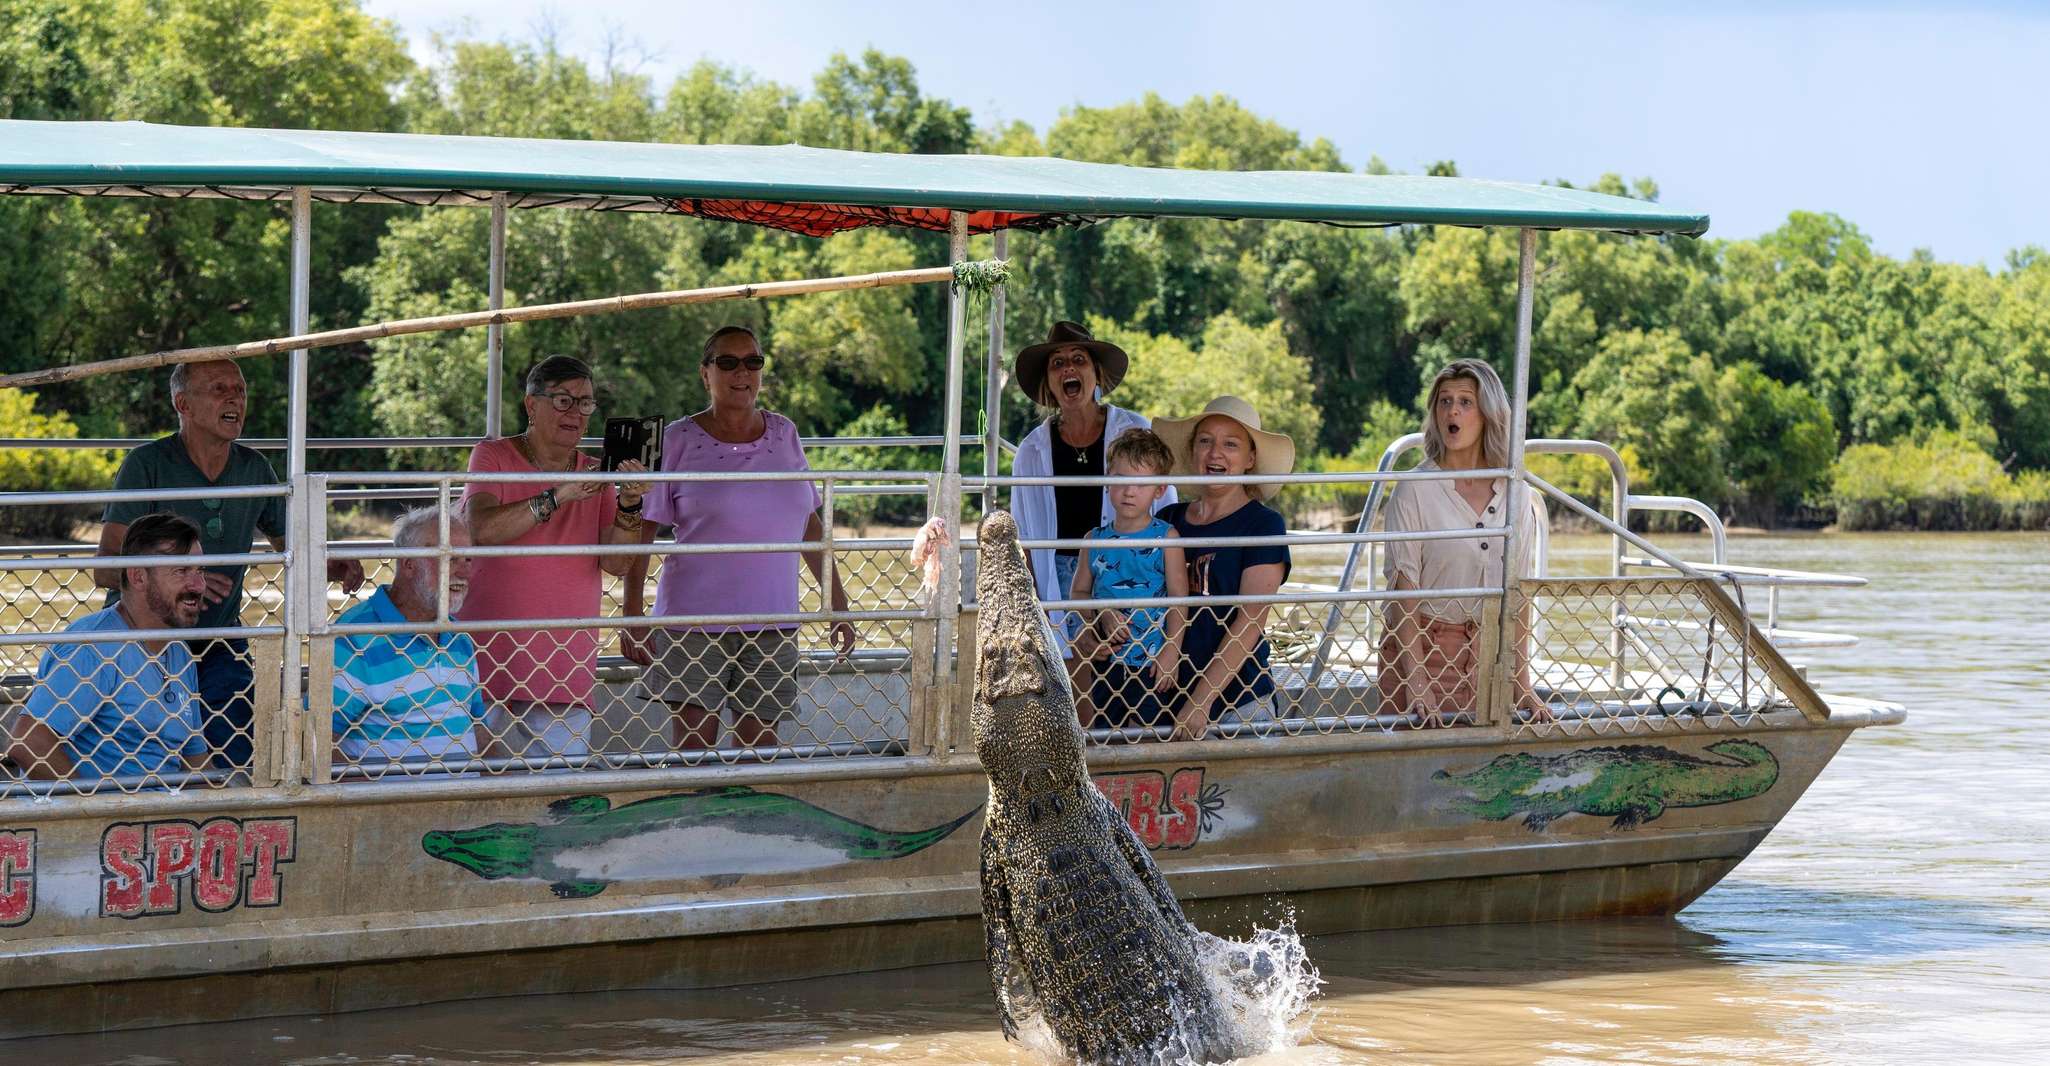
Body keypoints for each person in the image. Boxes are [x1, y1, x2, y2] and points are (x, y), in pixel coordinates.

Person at [95, 359, 365, 773]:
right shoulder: (147, 464)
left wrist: (332, 563)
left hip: (218, 640)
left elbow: (290, 544)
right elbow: (105, 568)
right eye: (219, 388)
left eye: (239, 389)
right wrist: (182, 579)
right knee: (145, 760)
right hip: (143, 644)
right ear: (183, 404)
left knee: (240, 755)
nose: (234, 398)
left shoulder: (254, 468)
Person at [625, 325, 855, 751]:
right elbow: (645, 528)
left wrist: (837, 602)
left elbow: (809, 523)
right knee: (694, 752)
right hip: (692, 623)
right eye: (727, 362)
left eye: (753, 361)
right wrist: (633, 613)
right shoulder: (676, 439)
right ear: (705, 373)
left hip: (773, 622)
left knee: (758, 755)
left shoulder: (785, 433)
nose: (741, 372)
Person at [460, 355, 648, 766]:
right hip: (484, 664)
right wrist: (557, 495)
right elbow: (483, 531)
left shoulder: (597, 475)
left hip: (564, 668)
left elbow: (618, 564)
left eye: (585, 404)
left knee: (557, 797)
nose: (576, 414)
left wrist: (630, 503)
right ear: (531, 404)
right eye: (564, 401)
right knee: (474, 789)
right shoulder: (492, 456)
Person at [1378, 359, 1550, 726]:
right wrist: (1417, 679)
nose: (1451, 410)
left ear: (1488, 413)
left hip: (1488, 656)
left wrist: (1522, 683)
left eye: (1465, 402)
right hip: (1421, 649)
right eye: (1444, 401)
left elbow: (1518, 596)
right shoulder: (1414, 489)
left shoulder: (1516, 492)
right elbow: (1402, 594)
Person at [6, 513, 213, 785]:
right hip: (107, 819)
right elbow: (28, 743)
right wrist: (95, 812)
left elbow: (195, 761)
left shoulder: (179, 652)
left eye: (200, 571)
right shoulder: (96, 646)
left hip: (162, 815)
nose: (198, 586)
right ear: (138, 577)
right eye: (181, 571)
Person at [1011, 321, 1174, 660]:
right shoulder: (1031, 450)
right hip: (1063, 583)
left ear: (1096, 374)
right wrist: (1036, 606)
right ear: (1050, 384)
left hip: (1132, 573)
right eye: (1058, 363)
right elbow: (1024, 538)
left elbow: (1167, 511)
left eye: (1079, 359)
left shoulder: (1135, 430)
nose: (1068, 368)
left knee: (1131, 679)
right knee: (1077, 689)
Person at [1152, 397, 1296, 741]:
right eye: (1205, 441)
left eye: (1230, 444)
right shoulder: (1167, 520)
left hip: (1239, 704)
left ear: (1250, 460)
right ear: (1193, 451)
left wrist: (1201, 702)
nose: (1215, 452)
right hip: (1164, 698)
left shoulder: (1263, 524)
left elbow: (1249, 622)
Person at [330, 506, 487, 771]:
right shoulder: (356, 635)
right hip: (391, 806)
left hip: (465, 805)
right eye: (449, 558)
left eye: (468, 559)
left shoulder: (458, 637)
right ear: (409, 564)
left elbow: (477, 728)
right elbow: (318, 740)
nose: (463, 572)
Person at [1069, 428, 1186, 736]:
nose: (1129, 491)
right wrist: (1099, 613)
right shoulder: (1094, 540)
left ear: (1159, 490)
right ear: (1108, 480)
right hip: (1106, 662)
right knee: (1106, 735)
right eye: (1120, 480)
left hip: (1152, 663)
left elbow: (1179, 598)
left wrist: (1172, 651)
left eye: (1140, 483)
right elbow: (1079, 592)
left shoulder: (1167, 538)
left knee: (1151, 736)